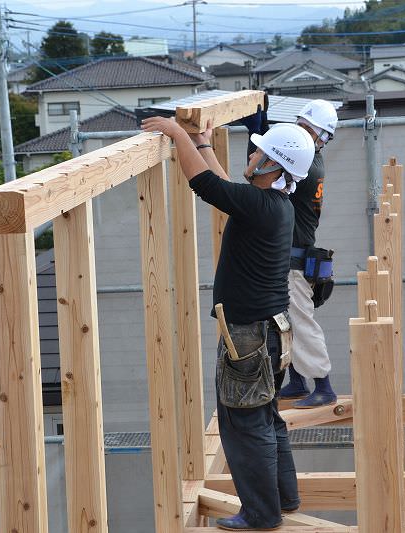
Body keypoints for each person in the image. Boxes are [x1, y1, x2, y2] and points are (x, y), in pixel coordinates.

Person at [141, 115, 315, 531]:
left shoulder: (261, 206)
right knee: (266, 417)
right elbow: (225, 189)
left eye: (257, 152)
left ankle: (261, 514)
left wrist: (177, 133)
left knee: (243, 425)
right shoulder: (274, 205)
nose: (251, 155)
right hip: (272, 331)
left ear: (272, 166)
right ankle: (283, 499)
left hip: (248, 336)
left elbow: (204, 185)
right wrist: (201, 143)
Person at [243, 98, 339, 409]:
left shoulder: (308, 166)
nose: (297, 133)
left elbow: (267, 170)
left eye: (302, 128)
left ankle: (323, 385)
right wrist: (261, 132)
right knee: (286, 321)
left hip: (295, 261)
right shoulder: (312, 158)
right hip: (294, 257)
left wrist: (257, 135)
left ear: (318, 136)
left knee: (300, 321)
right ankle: (297, 381)